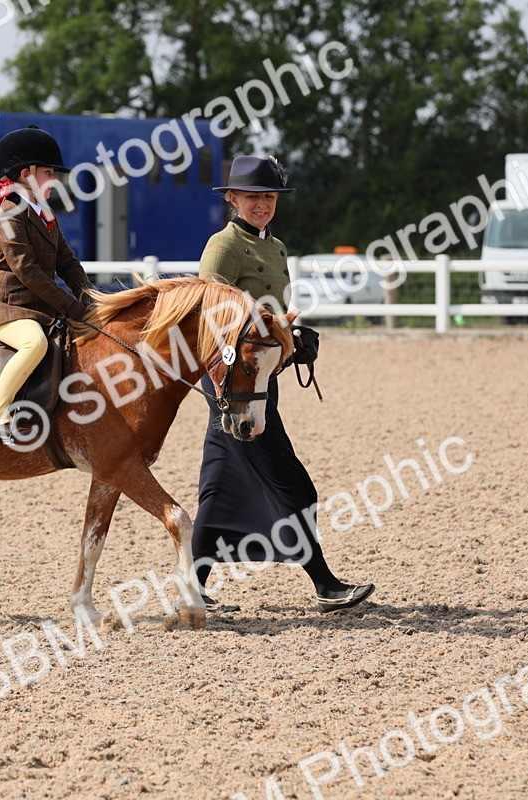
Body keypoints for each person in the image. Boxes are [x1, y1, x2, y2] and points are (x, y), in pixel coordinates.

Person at [192, 154, 375, 614]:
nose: (262, 205)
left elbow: (269, 319)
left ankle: (190, 587)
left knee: (220, 487)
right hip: (233, 386)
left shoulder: (276, 248)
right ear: (232, 198)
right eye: (253, 197)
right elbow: (209, 320)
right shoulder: (223, 247)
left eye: (269, 197)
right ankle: (326, 584)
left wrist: (292, 342)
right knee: (293, 485)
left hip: (260, 383)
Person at [0, 125, 94, 443]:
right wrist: (71, 306)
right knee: (35, 344)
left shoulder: (43, 212)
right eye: (48, 172)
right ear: (26, 173)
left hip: (38, 308)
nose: (54, 179)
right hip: (9, 309)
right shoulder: (9, 214)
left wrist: (90, 296)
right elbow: (27, 270)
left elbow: (66, 261)